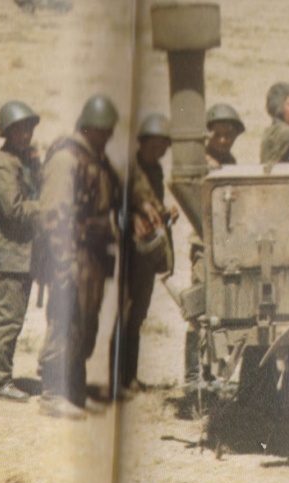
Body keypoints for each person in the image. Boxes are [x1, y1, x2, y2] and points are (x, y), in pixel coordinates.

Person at [35, 94, 120, 419]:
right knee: (65, 321)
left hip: (92, 256)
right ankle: (52, 392)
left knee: (84, 324)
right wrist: (63, 259)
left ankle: (72, 387)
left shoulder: (94, 159)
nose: (108, 137)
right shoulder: (66, 160)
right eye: (104, 130)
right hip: (71, 255)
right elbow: (53, 215)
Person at [110, 113, 178, 401]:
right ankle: (118, 379)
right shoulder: (128, 169)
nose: (159, 152)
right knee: (125, 314)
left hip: (147, 253)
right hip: (129, 251)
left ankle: (131, 378)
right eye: (155, 145)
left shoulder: (156, 172)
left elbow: (153, 205)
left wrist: (165, 212)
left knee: (137, 316)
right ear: (143, 143)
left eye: (163, 146)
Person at [0, 100, 41, 403]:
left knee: (13, 319)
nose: (26, 135)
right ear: (8, 131)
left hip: (26, 251)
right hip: (13, 250)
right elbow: (13, 209)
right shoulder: (4, 162)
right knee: (7, 319)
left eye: (29, 129)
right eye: (20, 129)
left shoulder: (23, 160)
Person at [205, 102, 244, 168]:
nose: (222, 140)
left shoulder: (230, 161)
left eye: (228, 135)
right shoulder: (199, 160)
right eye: (217, 135)